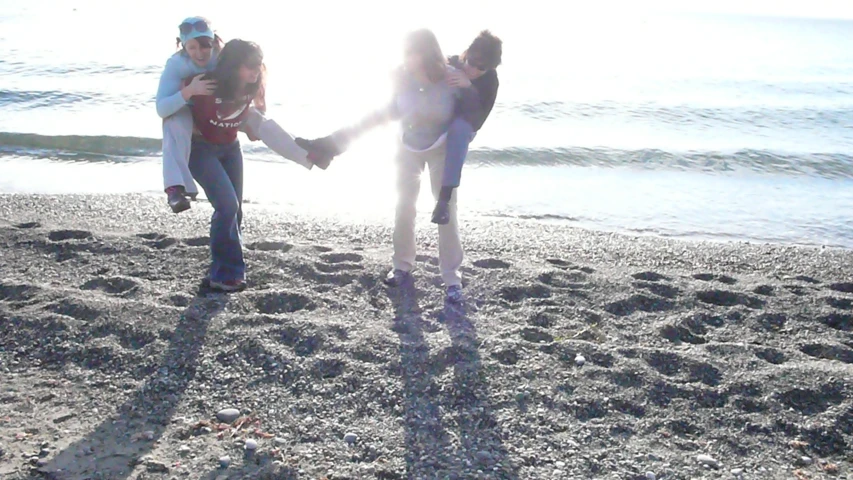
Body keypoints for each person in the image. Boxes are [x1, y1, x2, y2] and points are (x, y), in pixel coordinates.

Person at [297, 29, 480, 303]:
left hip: (442, 149)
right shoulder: (401, 76)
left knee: (447, 211)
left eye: (410, 53)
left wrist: (469, 86)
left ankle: (452, 277)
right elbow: (384, 112)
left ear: (426, 53)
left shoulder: (451, 77)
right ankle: (402, 266)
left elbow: (475, 114)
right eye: (404, 53)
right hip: (407, 147)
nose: (406, 58)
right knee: (403, 208)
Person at [155, 17, 319, 214]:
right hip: (191, 113)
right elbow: (162, 108)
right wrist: (189, 91)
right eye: (192, 48)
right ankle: (176, 189)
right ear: (183, 47)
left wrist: (251, 119)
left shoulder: (224, 56)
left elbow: (254, 77)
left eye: (205, 46)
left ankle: (308, 153)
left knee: (258, 119)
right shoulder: (176, 64)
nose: (199, 53)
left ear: (214, 42)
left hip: (220, 111)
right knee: (174, 121)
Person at [183, 39, 266, 292]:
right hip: (200, 150)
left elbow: (252, 122)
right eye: (249, 66)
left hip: (231, 149)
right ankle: (221, 275)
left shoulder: (254, 86)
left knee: (235, 210)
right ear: (233, 65)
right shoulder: (205, 85)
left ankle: (230, 270)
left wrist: (256, 128)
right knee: (227, 205)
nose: (255, 71)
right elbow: (170, 109)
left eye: (258, 66)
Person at [432, 30, 502, 225]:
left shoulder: (490, 81)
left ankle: (443, 200)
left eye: (482, 67)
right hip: (436, 120)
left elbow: (477, 120)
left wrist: (469, 87)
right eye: (471, 62)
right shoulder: (452, 63)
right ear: (466, 53)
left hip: (463, 125)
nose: (473, 69)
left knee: (460, 129)